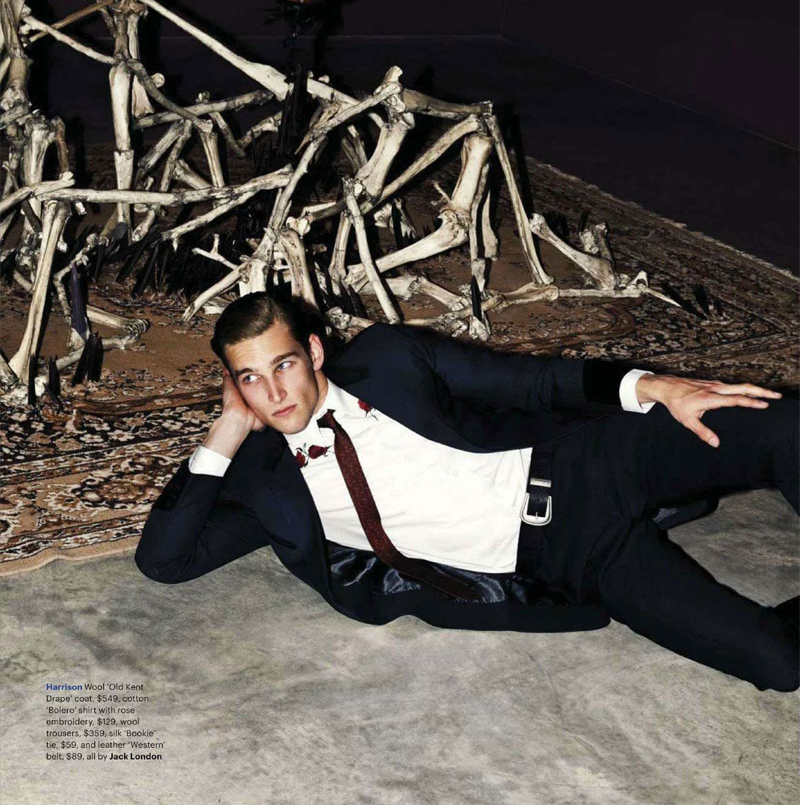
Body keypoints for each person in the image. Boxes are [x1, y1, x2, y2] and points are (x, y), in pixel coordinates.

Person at [135, 292, 799, 691]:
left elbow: (531, 382)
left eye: (283, 364)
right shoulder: (264, 480)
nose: (275, 392)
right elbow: (165, 561)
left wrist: (653, 387)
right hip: (570, 554)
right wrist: (226, 431)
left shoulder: (389, 358)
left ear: (313, 352)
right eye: (251, 378)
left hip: (584, 460)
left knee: (781, 426)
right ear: (234, 385)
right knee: (775, 662)